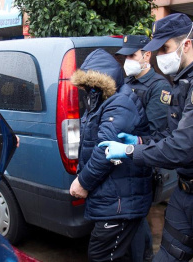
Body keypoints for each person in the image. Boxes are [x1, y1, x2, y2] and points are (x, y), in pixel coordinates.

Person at [100, 13, 193, 262]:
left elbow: (182, 146)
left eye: (166, 48)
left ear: (186, 44)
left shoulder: (175, 84)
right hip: (184, 192)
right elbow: (168, 134)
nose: (162, 55)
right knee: (166, 255)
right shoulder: (183, 81)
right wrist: (138, 142)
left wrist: (131, 152)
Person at [69, 48, 152, 262]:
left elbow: (104, 149)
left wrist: (83, 183)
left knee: (101, 255)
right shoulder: (101, 100)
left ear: (104, 81)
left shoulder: (119, 103)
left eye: (92, 84)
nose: (89, 90)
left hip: (119, 201)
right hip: (115, 196)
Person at [116, 35, 172, 262]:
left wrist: (132, 143)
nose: (127, 60)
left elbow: (156, 133)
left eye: (132, 55)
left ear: (147, 55)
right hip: (124, 162)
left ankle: (143, 257)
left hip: (141, 163)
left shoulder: (159, 87)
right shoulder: (127, 82)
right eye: (125, 56)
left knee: (134, 217)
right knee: (133, 218)